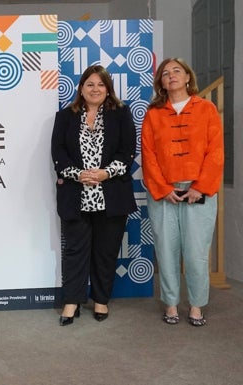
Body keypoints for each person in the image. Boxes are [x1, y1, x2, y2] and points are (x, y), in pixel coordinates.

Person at [51, 64, 137, 326]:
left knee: (106, 251)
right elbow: (58, 153)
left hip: (111, 195)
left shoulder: (121, 114)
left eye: (101, 84)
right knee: (75, 251)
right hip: (76, 196)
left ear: (108, 89)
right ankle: (72, 302)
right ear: (81, 88)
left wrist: (105, 173)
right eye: (90, 84)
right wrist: (77, 174)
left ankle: (101, 300)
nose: (95, 89)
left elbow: (128, 151)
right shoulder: (65, 116)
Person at [141, 58, 223, 327]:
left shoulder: (207, 109)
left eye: (177, 70)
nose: (171, 75)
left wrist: (199, 188)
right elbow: (148, 155)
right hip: (165, 191)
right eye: (165, 73)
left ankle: (197, 306)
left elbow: (215, 152)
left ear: (188, 77)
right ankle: (171, 304)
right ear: (161, 82)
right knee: (166, 250)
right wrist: (163, 189)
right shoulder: (153, 114)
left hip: (199, 191)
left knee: (197, 252)